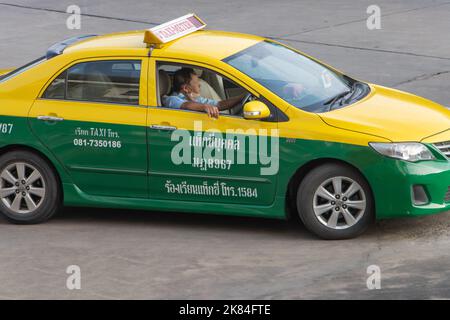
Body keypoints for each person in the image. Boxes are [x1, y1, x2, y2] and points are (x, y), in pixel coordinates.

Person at [163, 68, 246, 118]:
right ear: (186, 88)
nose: (199, 85)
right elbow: (185, 105)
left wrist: (241, 97)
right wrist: (205, 107)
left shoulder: (195, 99)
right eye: (196, 82)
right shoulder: (171, 99)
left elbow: (220, 104)